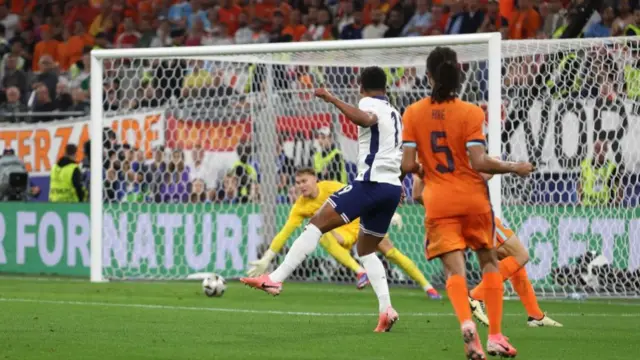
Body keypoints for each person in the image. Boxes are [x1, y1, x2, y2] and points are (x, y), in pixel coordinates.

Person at [242, 66, 405, 332]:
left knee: (316, 223)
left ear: (361, 86)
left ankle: (275, 278)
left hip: (371, 183)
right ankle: (386, 309)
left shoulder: (368, 103)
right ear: (385, 87)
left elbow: (366, 120)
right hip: (390, 187)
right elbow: (395, 150)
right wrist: (398, 183)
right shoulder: (397, 113)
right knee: (366, 251)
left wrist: (331, 99)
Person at [400, 46, 533, 358]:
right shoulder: (473, 112)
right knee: (488, 262)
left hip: (438, 201)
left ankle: (465, 323)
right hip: (473, 199)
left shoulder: (413, 113)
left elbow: (407, 166)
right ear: (459, 76)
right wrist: (515, 167)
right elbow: (480, 161)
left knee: (454, 272)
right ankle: (496, 335)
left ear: (428, 75)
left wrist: (425, 168)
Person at [248, 167, 440, 299]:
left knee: (391, 253)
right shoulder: (300, 207)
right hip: (344, 235)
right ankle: (359, 272)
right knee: (318, 233)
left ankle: (428, 287)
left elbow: (363, 197)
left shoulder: (330, 187)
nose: (301, 186)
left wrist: (389, 213)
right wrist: (267, 258)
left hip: (364, 221)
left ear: (315, 179)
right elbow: (284, 233)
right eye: (297, 183)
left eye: (304, 181)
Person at [412, 174, 562, 327]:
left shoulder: (424, 161)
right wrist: (505, 165)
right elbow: (481, 173)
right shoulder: (455, 155)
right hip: (475, 214)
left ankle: (535, 315)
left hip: (451, 220)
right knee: (520, 255)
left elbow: (417, 194)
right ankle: (476, 296)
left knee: (510, 258)